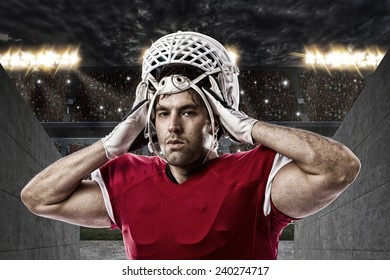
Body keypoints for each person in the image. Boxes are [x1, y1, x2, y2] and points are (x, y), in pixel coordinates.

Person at [20, 31, 360, 260]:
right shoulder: (127, 177)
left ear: (215, 119)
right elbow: (37, 197)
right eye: (163, 113)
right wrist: (109, 146)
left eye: (188, 111)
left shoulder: (257, 175)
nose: (173, 126)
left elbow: (340, 168)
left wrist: (248, 126)